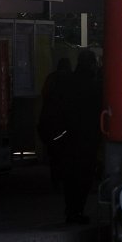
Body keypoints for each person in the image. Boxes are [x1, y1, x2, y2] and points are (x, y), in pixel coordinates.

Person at [63, 49, 102, 224]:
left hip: (70, 135)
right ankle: (77, 211)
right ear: (92, 64)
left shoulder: (69, 81)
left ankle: (71, 210)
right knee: (84, 176)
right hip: (88, 136)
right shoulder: (94, 85)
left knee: (71, 176)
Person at [38, 57, 73, 193]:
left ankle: (55, 180)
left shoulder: (51, 79)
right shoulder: (71, 79)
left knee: (54, 154)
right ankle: (65, 180)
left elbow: (44, 94)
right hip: (66, 123)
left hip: (51, 122)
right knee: (66, 154)